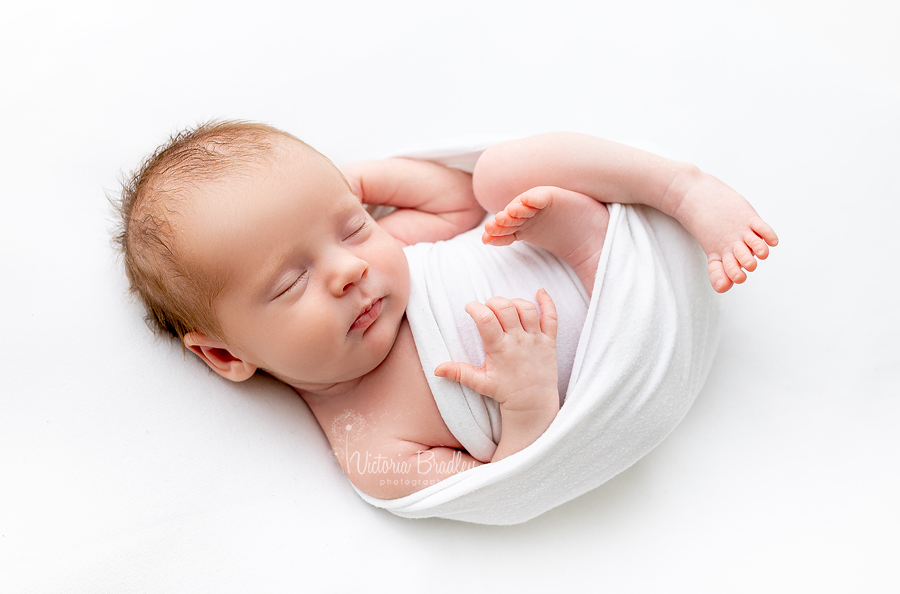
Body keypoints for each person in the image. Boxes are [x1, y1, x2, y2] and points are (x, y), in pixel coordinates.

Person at [115, 122, 777, 499]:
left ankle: (679, 188)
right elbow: (514, 481)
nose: (350, 270)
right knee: (505, 184)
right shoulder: (370, 448)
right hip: (632, 340)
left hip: (638, 250)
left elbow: (459, 204)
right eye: (291, 284)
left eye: (350, 228)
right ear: (228, 354)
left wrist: (358, 188)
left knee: (496, 173)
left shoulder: (393, 249)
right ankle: (585, 243)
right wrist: (524, 398)